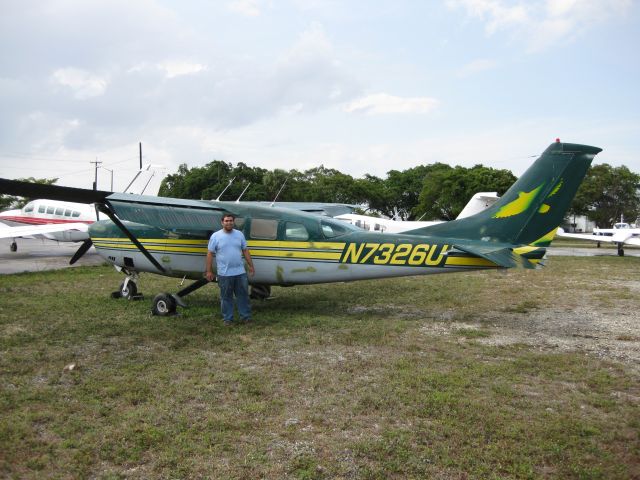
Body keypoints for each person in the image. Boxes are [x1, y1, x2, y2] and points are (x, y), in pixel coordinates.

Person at [205, 213, 255, 325]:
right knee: (226, 297)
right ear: (222, 222)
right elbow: (210, 253)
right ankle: (228, 319)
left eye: (231, 220)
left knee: (243, 296)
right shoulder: (215, 236)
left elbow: (245, 250)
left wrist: (251, 265)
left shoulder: (239, 235)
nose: (229, 222)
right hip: (224, 273)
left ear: (234, 222)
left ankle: (246, 317)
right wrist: (208, 271)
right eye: (226, 221)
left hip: (240, 272)